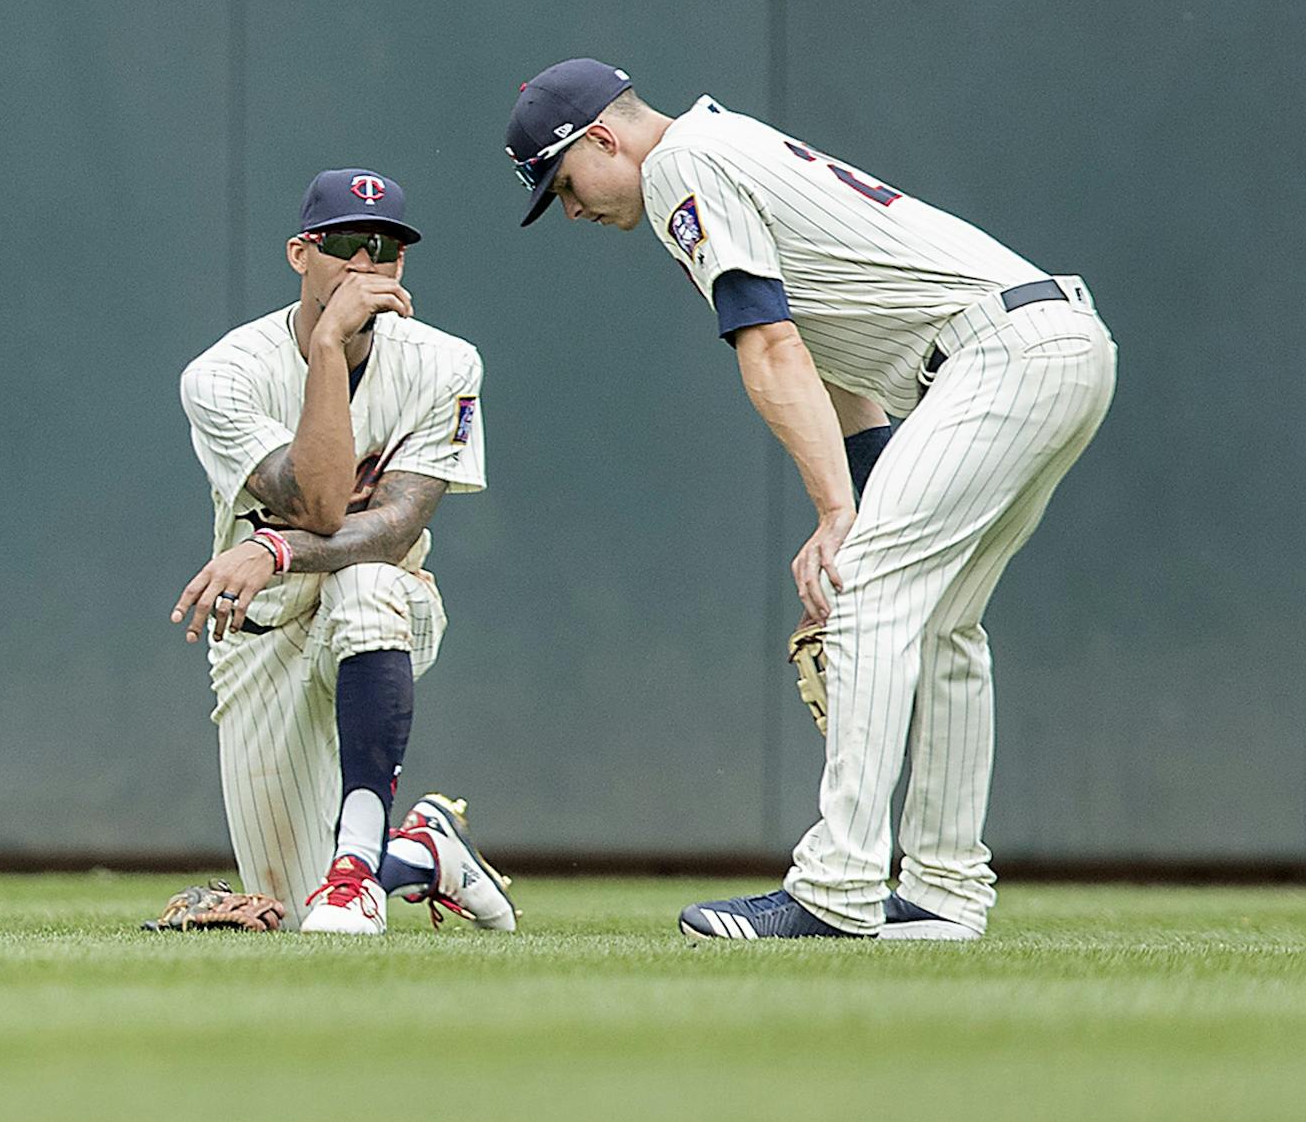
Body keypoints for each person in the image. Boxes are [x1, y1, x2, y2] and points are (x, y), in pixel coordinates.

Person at [504, 59, 1116, 941]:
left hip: (998, 356)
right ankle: (944, 891)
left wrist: (838, 519)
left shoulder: (683, 165)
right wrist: (857, 499)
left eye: (563, 183)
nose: (569, 207)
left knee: (863, 591)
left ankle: (837, 888)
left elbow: (773, 346)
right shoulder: (723, 143)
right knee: (942, 620)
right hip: (1049, 343)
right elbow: (833, 356)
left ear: (602, 137)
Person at [173, 169, 515, 935]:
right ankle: (427, 854)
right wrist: (328, 345)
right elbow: (322, 504)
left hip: (389, 608)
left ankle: (360, 864)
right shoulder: (224, 375)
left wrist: (275, 549)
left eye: (385, 250)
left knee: (366, 580)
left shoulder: (445, 363)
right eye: (345, 247)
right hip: (260, 638)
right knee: (296, 915)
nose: (366, 267)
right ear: (301, 254)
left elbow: (392, 530)